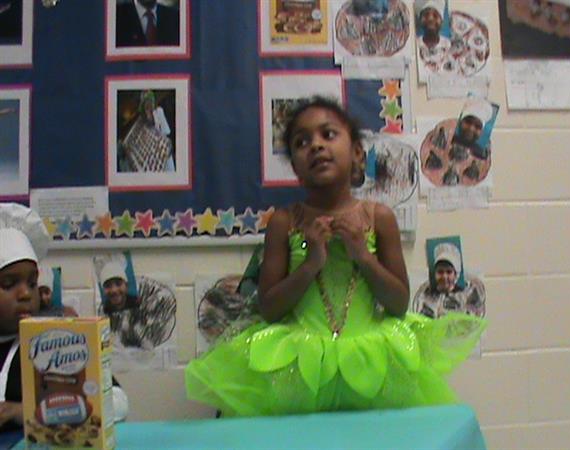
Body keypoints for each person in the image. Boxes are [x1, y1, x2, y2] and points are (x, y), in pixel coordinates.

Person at [185, 97, 486, 417]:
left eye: (328, 134)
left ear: (356, 153)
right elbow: (270, 308)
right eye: (302, 142)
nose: (316, 145)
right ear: (295, 168)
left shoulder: (379, 218)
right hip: (301, 366)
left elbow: (398, 303)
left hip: (371, 360)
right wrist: (310, 262)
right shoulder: (285, 222)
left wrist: (362, 255)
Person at [0, 203, 129, 437]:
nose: (26, 294)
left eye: (32, 283)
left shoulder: (56, 343)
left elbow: (118, 402)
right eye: (9, 284)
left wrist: (24, 412)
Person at [416, 0, 451, 72]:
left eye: (435, 15)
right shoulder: (415, 43)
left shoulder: (447, 44)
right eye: (426, 15)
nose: (430, 18)